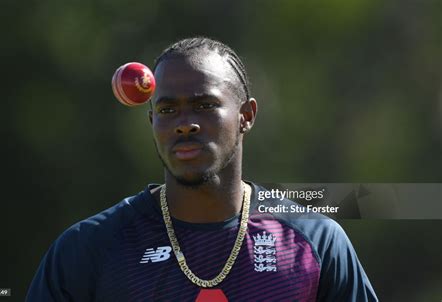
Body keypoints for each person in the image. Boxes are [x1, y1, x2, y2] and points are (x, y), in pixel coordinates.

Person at [26, 37, 378, 302]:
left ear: (246, 116)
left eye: (204, 105)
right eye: (167, 111)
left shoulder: (316, 243)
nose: (184, 124)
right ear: (152, 121)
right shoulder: (89, 248)